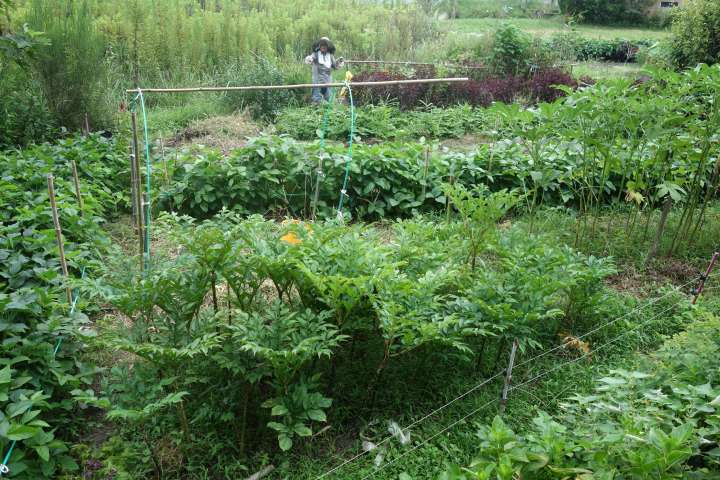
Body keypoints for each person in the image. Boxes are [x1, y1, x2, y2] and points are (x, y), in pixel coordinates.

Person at [305, 37, 345, 103]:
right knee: (316, 98)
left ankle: (330, 107)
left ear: (328, 46)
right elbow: (311, 58)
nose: (323, 46)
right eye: (322, 45)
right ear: (319, 46)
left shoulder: (330, 56)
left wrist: (339, 61)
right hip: (317, 80)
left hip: (328, 81)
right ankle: (318, 106)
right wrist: (309, 59)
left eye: (325, 45)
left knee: (329, 98)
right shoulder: (316, 54)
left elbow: (335, 66)